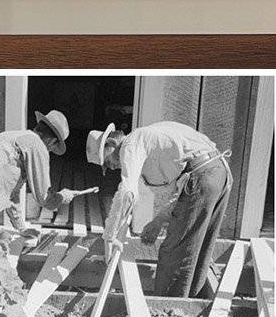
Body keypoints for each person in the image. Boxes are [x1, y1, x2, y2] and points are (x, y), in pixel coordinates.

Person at [86, 120, 232, 298]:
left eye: (107, 162)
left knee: (174, 253)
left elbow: (127, 192)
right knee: (198, 247)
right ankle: (190, 305)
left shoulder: (131, 143)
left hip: (203, 177)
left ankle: (166, 308)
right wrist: (158, 221)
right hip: (218, 173)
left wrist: (109, 236)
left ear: (111, 144)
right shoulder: (152, 139)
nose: (111, 167)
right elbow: (182, 190)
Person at [0, 110, 88, 233]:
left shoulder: (15, 137)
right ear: (52, 142)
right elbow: (44, 198)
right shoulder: (36, 144)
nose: (50, 151)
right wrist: (62, 197)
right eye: (52, 148)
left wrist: (21, 229)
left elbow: (11, 196)